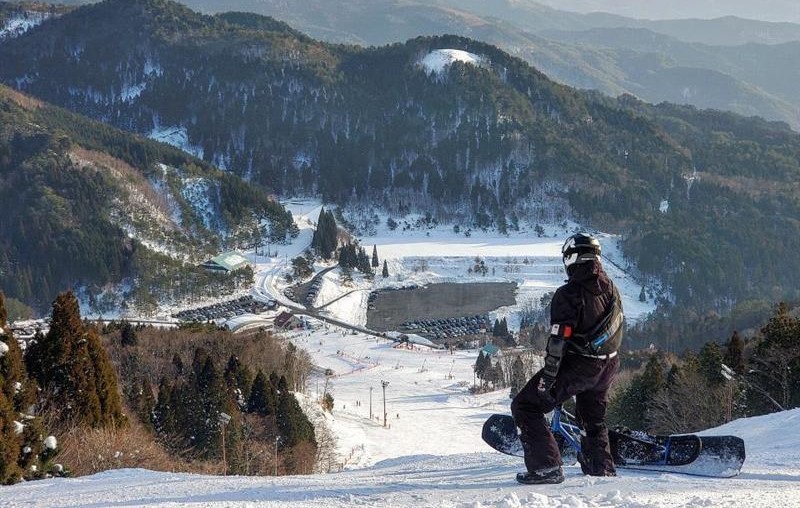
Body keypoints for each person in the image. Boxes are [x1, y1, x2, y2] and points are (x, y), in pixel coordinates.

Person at [511, 233, 624, 484]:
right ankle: (601, 471)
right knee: (593, 419)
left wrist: (548, 379)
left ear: (572, 257)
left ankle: (546, 467)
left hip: (580, 365)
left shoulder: (569, 293)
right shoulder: (611, 289)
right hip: (608, 364)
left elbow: (558, 341)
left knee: (526, 406)